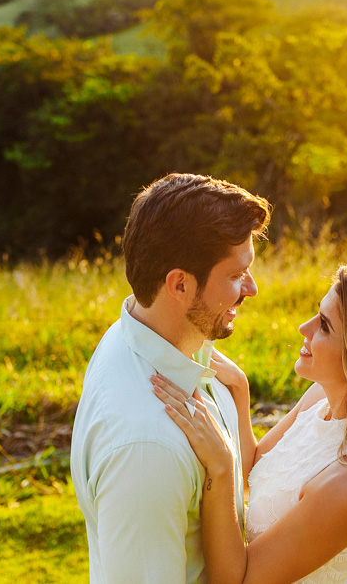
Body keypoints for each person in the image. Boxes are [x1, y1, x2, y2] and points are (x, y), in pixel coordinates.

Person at [152, 262, 347, 584]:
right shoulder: (321, 397)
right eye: (316, 313)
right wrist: (239, 388)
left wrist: (221, 467)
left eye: (325, 326)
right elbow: (253, 470)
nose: (305, 328)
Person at [70, 173, 271, 583]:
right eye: (235, 275)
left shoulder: (146, 336)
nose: (251, 289)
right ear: (179, 284)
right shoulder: (147, 449)